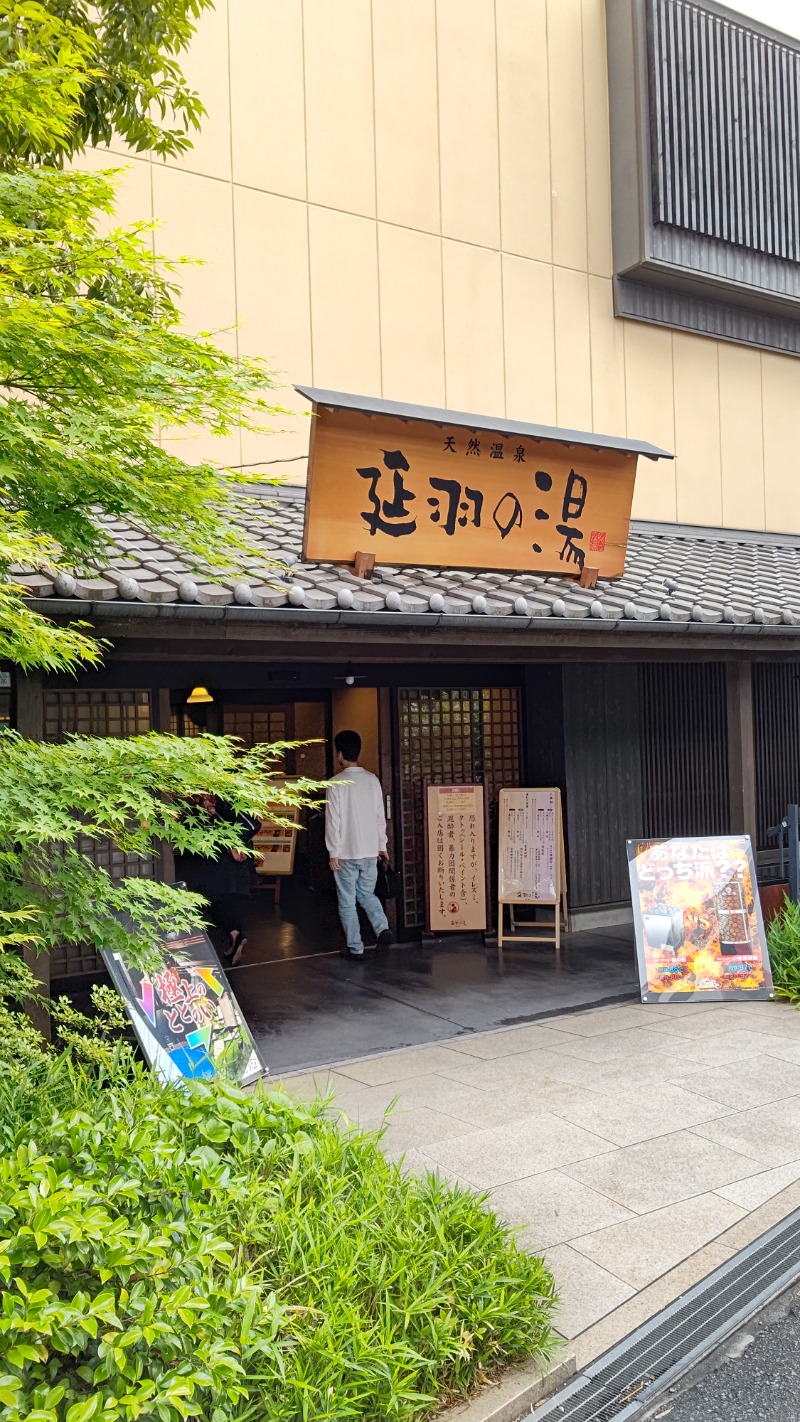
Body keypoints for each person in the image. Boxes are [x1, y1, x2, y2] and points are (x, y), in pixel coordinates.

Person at [326, 729, 392, 959]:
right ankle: (382, 927)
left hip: (345, 853)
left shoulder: (335, 784)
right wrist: (382, 845)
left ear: (340, 753)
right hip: (369, 851)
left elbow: (334, 821)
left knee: (346, 901)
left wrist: (333, 851)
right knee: (367, 894)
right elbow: (378, 816)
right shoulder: (372, 780)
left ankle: (356, 947)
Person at [175, 794, 259, 966]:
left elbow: (251, 824)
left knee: (212, 900)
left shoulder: (223, 797)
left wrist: (234, 843)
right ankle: (235, 935)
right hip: (222, 862)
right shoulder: (212, 798)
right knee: (223, 902)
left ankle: (233, 935)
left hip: (218, 861)